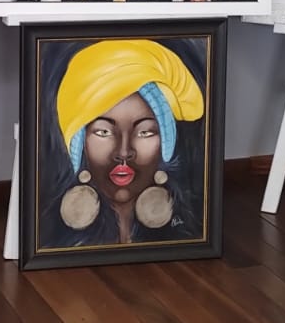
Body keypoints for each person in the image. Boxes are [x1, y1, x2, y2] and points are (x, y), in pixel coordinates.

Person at [48, 39, 206, 245]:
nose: (123, 152)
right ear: (80, 143)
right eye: (104, 132)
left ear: (165, 143)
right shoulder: (53, 241)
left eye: (144, 132)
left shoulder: (187, 234)